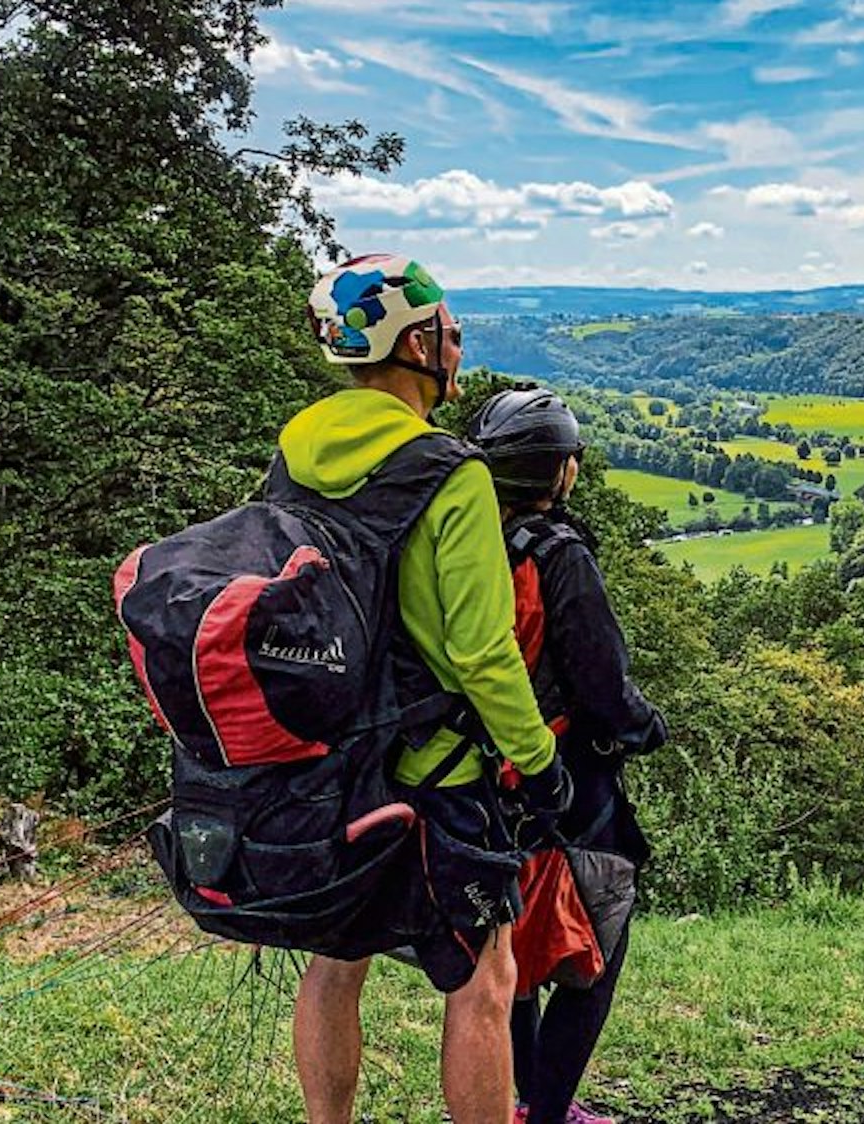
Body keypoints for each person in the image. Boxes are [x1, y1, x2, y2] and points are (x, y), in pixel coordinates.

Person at [284, 254, 571, 1124]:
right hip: (436, 768)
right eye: (449, 333)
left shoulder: (297, 448)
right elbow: (483, 651)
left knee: (336, 961)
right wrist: (539, 760)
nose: (455, 348)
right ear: (415, 345)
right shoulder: (452, 472)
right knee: (486, 977)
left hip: (334, 762)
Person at [467, 389, 668, 1124]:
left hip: (482, 777)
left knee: (510, 942)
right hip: (565, 778)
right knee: (600, 946)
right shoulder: (560, 555)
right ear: (562, 473)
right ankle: (546, 1111)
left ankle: (522, 1101)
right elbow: (602, 682)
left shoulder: (468, 546)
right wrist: (649, 727)